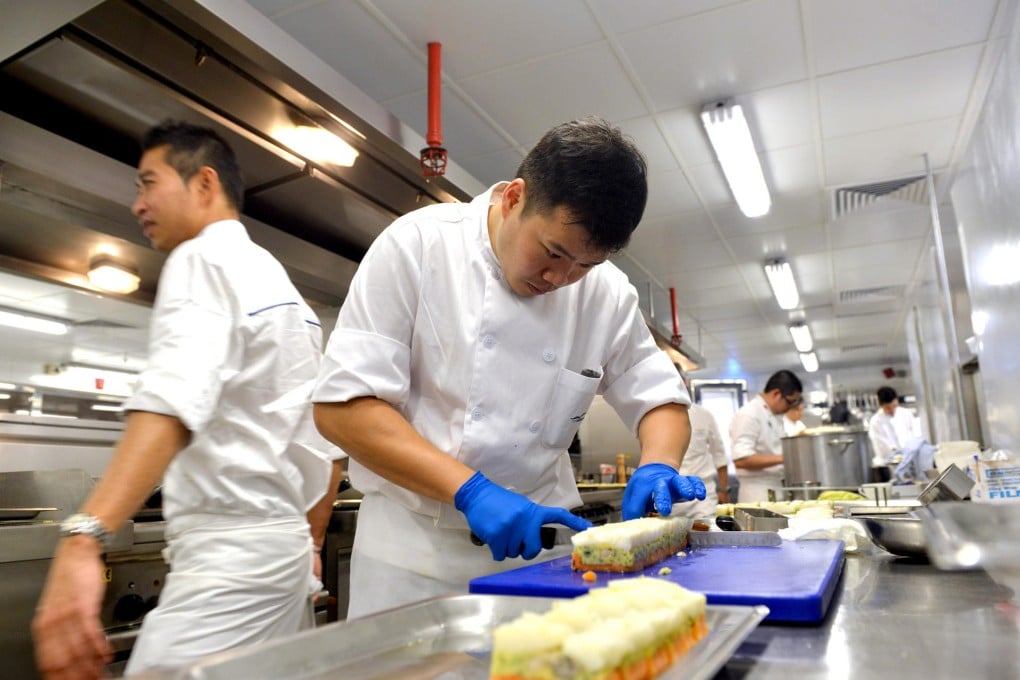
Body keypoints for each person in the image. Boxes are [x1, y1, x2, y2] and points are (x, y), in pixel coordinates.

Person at [312, 117, 706, 618]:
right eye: (553, 252)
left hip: (543, 560)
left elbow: (660, 400)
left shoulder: (605, 293)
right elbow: (342, 409)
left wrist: (658, 464)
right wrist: (470, 490)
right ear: (514, 197)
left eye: (584, 265)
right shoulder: (418, 246)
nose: (560, 278)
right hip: (411, 564)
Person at [32, 121, 343, 678]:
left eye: (147, 183)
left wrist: (85, 536)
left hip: (229, 562)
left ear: (204, 184)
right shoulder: (280, 286)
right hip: (282, 556)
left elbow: (171, 401)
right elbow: (327, 445)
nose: (138, 204)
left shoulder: (202, 260)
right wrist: (309, 538)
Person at [729, 370, 803, 502]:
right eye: (790, 402)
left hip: (776, 488)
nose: (790, 407)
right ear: (776, 393)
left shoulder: (772, 415)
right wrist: (785, 458)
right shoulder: (749, 414)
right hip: (758, 493)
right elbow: (741, 459)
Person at [673, 372, 729, 518]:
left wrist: (723, 489)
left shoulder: (704, 415)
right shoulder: (653, 418)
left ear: (684, 382)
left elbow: (719, 455)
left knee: (706, 537)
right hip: (671, 497)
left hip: (702, 498)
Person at [868, 386, 924, 467]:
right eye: (888, 408)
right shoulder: (876, 422)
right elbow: (882, 448)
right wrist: (900, 455)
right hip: (889, 464)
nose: (892, 411)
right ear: (880, 405)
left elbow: (916, 434)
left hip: (912, 461)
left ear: (897, 401)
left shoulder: (906, 414)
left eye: (894, 406)